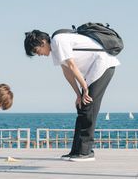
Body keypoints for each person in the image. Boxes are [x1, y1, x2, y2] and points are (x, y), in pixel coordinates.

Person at [24, 29, 120, 161]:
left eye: (36, 51)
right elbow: (67, 72)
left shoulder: (58, 41)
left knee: (88, 107)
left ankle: (85, 152)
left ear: (42, 42)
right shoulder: (55, 51)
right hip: (93, 71)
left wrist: (84, 89)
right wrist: (78, 94)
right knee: (82, 106)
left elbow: (72, 65)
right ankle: (76, 150)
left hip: (104, 66)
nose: (38, 55)